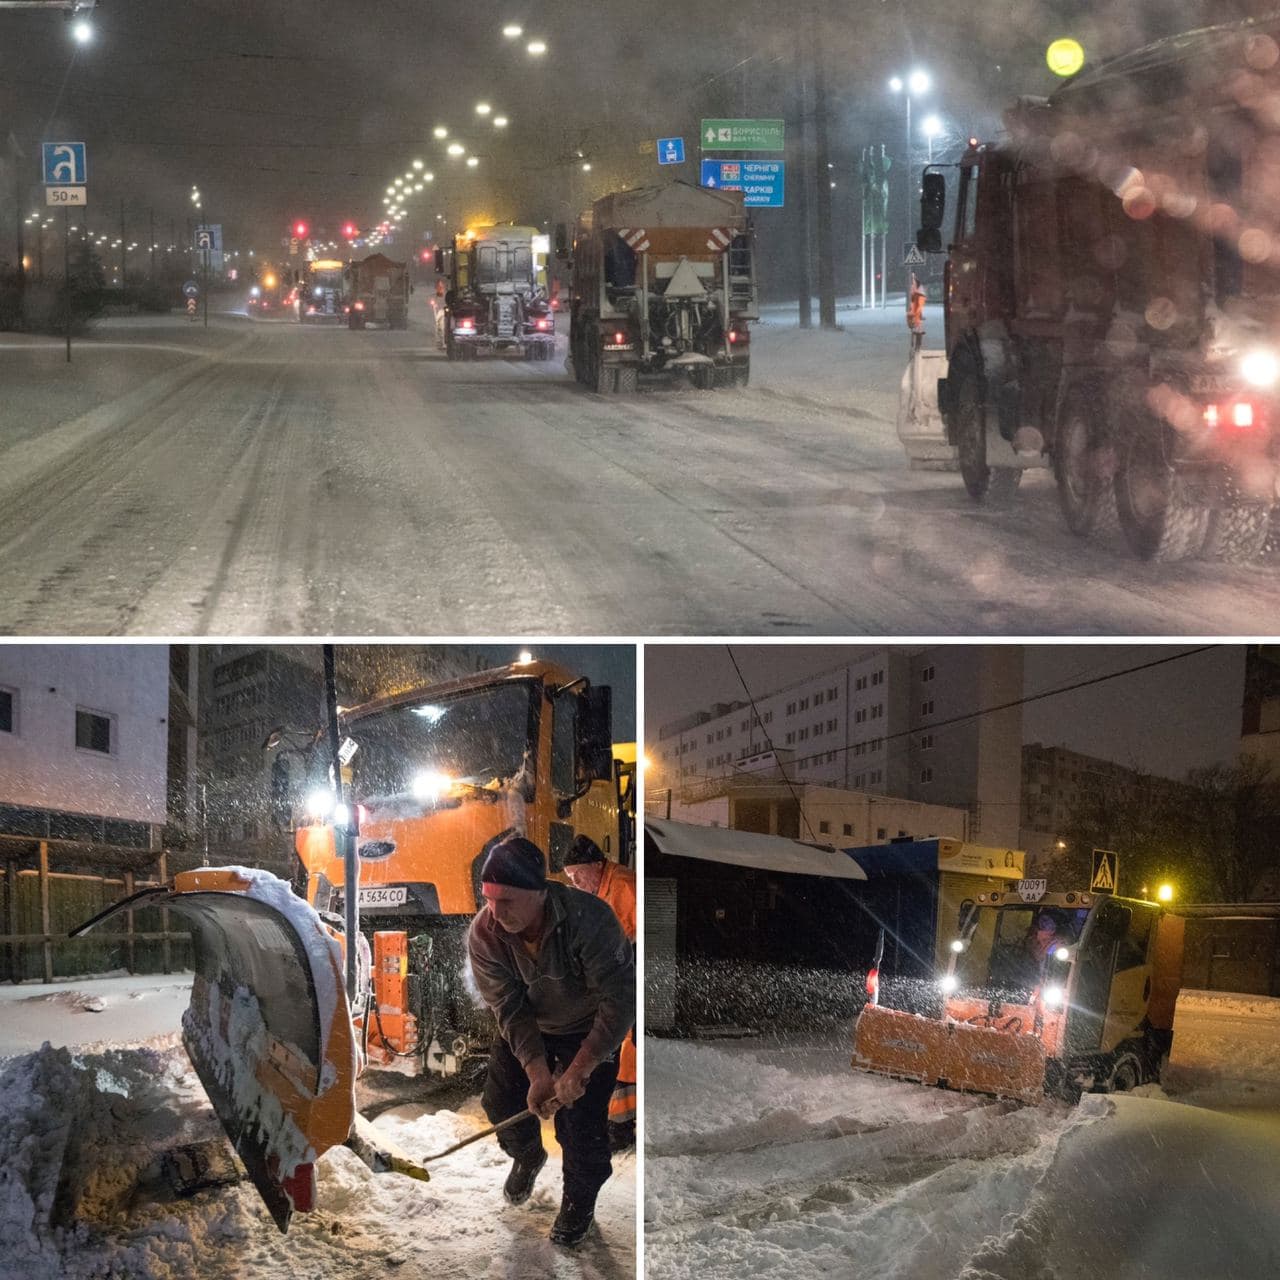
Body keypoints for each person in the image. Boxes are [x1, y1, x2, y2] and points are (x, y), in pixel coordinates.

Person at [467, 834, 634, 1248]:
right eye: (488, 898)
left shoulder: (590, 919)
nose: (495, 911)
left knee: (580, 1131)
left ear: (539, 894)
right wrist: (537, 1071)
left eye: (506, 901)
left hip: (587, 1028)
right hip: (533, 1026)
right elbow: (508, 1007)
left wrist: (581, 1068)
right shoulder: (484, 933)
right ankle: (527, 1156)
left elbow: (619, 1001)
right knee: (502, 1102)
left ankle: (579, 1201)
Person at [563, 835, 637, 1150]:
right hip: (617, 982)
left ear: (597, 865)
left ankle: (621, 1127)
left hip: (629, 983)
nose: (576, 882)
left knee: (625, 1049)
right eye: (570, 878)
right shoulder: (600, 891)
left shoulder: (624, 887)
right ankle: (618, 1123)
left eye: (578, 874)